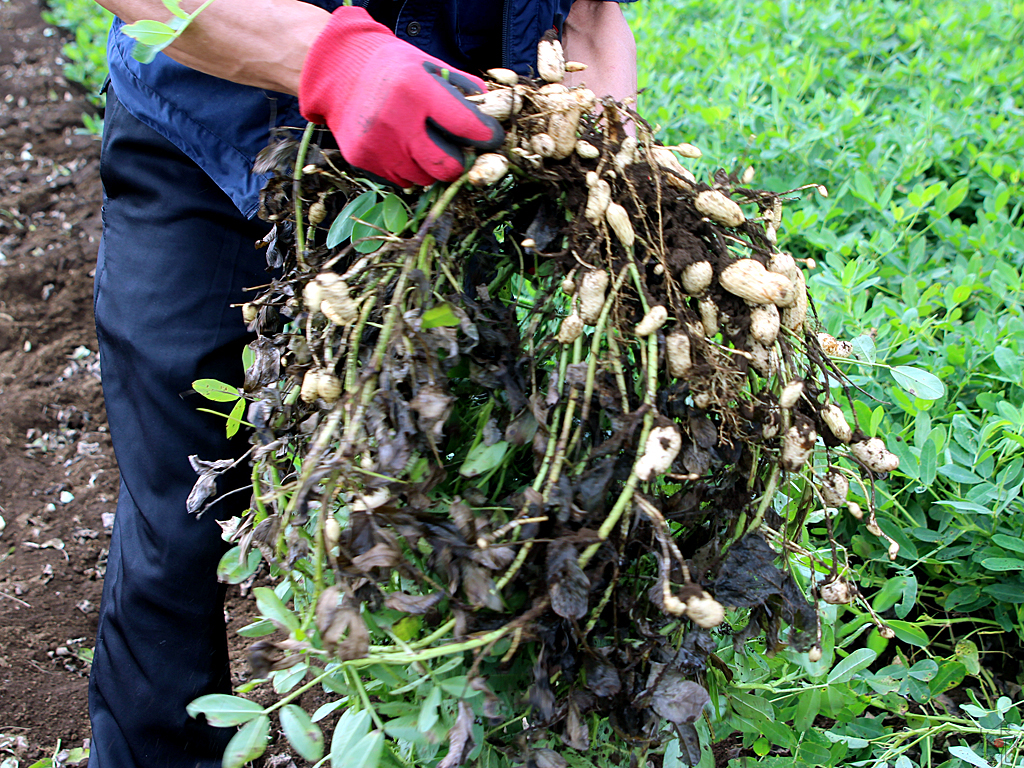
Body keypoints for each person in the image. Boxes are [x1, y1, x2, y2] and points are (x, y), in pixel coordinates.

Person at [86, 0, 637, 766]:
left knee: (445, 501)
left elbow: (585, 12)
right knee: (183, 510)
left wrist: (608, 151)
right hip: (204, 131)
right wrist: (332, 59)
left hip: (438, 161)